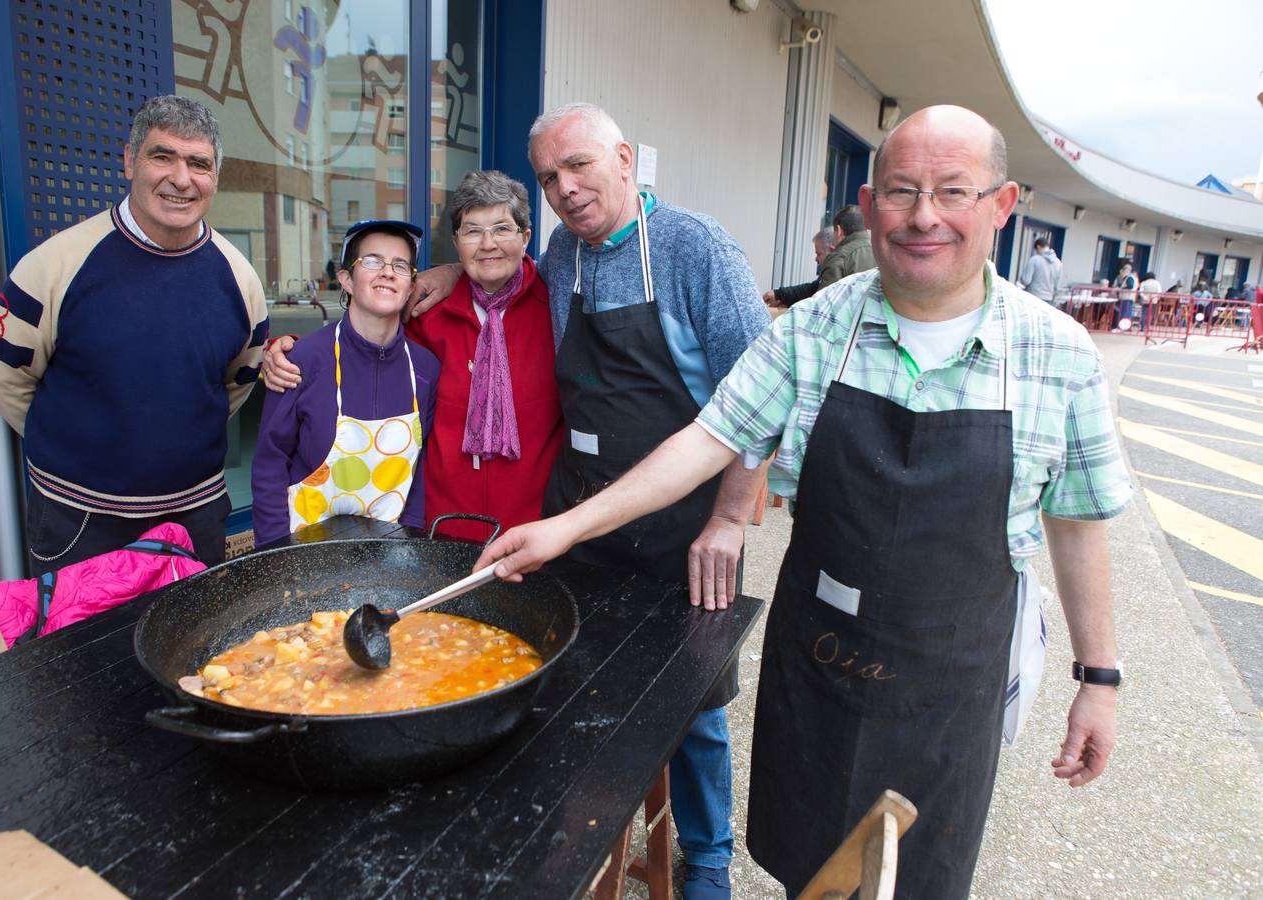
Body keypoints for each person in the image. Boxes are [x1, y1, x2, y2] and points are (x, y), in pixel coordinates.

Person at [475, 105, 1131, 899]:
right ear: (871, 200)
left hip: (951, 675)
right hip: (819, 653)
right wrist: (563, 529)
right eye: (901, 192)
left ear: (1000, 204)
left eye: (952, 192)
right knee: (809, 869)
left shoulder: (1059, 354)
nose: (923, 216)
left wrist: (1099, 676)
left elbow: (1079, 521)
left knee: (916, 878)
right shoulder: (819, 326)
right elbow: (708, 436)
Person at [416, 103, 770, 900]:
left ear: (622, 158)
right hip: (583, 516)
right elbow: (499, 284)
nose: (567, 189)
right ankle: (593, 833)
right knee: (587, 683)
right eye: (549, 178)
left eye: (579, 166)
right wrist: (443, 272)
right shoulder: (560, 256)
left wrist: (728, 516)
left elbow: (763, 399)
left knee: (695, 702)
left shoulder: (695, 248)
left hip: (685, 524)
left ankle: (708, 855)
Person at [0, 95, 268, 575]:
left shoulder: (239, 278)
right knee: (83, 652)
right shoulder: (56, 264)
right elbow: (1, 372)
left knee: (193, 648)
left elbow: (238, 379)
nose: (181, 178)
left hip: (194, 515)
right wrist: (77, 441)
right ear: (130, 161)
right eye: (162, 156)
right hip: (80, 520)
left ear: (214, 179)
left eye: (199, 163)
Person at [262, 171, 562, 544]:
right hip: (440, 532)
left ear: (526, 238)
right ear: (456, 242)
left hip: (532, 532)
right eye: (472, 231)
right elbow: (366, 343)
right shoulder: (427, 317)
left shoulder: (556, 313)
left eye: (502, 229)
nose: (488, 244)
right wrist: (285, 348)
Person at [251, 220, 438, 545]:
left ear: (410, 286)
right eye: (372, 261)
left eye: (400, 265)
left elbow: (419, 469)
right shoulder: (300, 361)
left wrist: (412, 539)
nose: (387, 272)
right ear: (346, 280)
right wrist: (273, 554)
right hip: (304, 552)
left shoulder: (424, 368)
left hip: (391, 554)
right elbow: (270, 463)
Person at [763, 225, 835, 308]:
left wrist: (781, 296)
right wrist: (779, 295)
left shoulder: (835, 273)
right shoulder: (828, 274)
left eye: (819, 254)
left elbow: (817, 302)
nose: (816, 259)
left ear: (832, 251)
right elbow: (811, 289)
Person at [1018, 237, 1063, 304]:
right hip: (1048, 299)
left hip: (1033, 296)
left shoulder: (1035, 259)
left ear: (1038, 247)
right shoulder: (1058, 263)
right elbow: (1058, 285)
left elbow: (1026, 280)